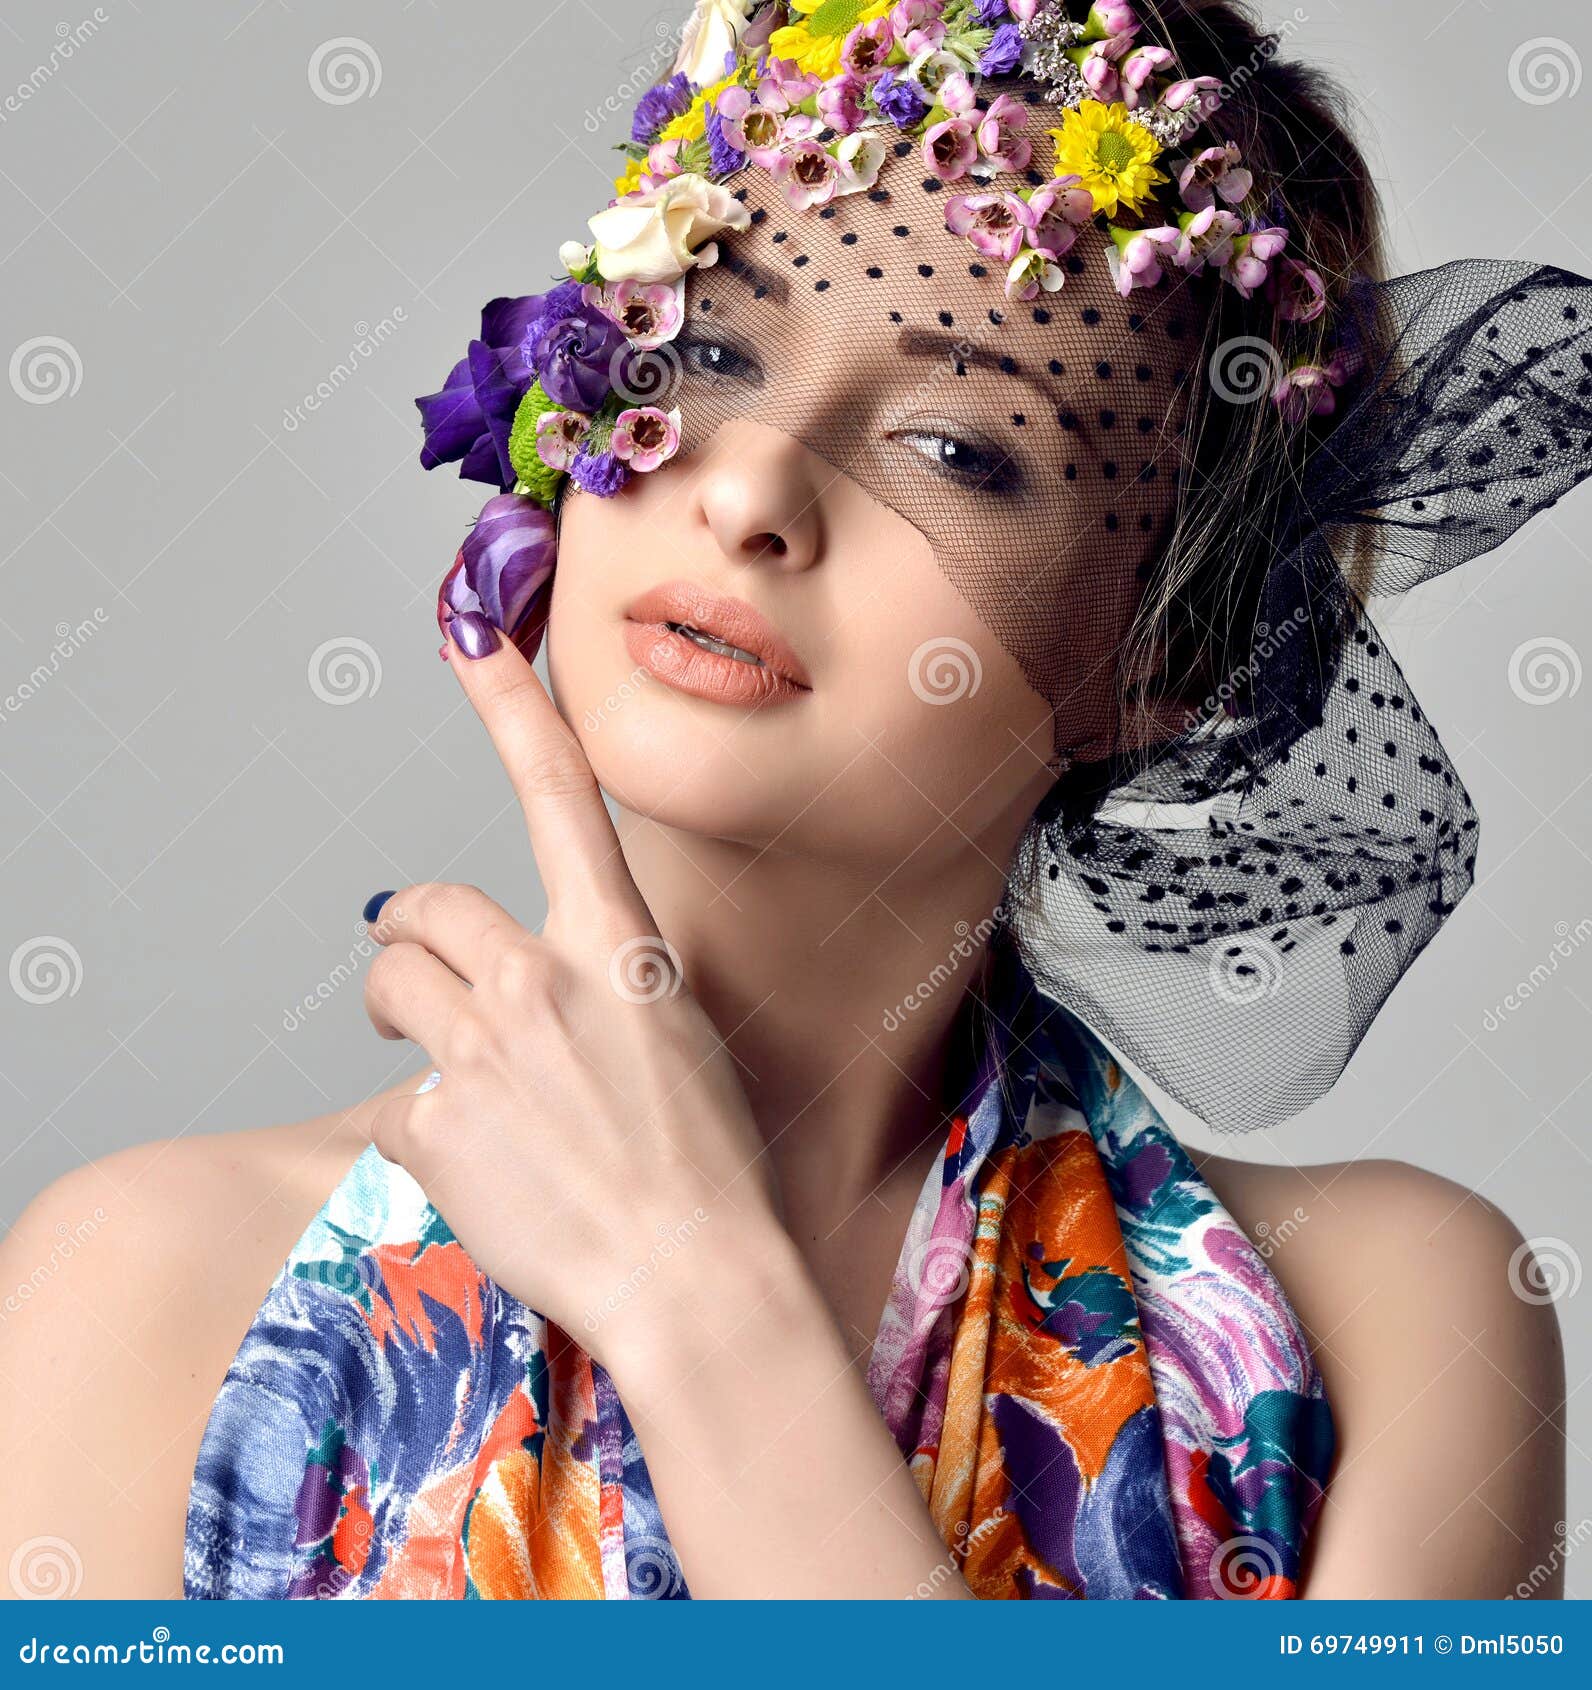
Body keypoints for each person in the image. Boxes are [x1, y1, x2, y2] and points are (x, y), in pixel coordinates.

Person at [0, 0, 1574, 1600]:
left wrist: (696, 1290)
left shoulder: (1393, 1330)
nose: (749, 487)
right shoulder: (148, 1283)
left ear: (1164, 658)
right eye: (714, 353)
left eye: (960, 449)